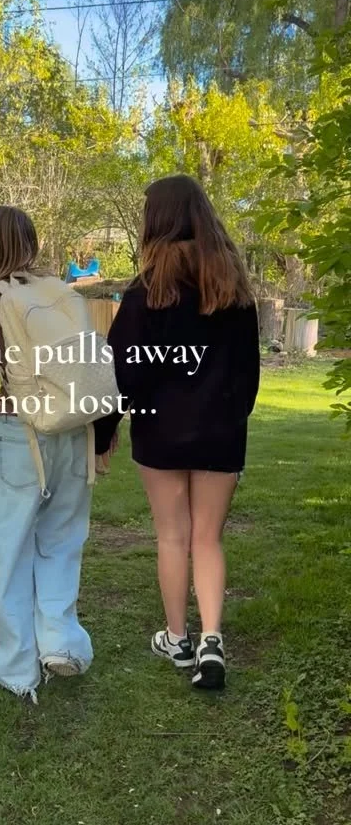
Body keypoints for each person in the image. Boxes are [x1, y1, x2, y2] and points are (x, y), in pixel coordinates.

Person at [95, 174, 260, 691]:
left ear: (157, 222)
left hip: (161, 432)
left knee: (172, 535)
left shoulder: (145, 293)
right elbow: (248, 373)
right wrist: (232, 417)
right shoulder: (234, 290)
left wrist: (104, 432)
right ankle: (212, 639)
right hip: (220, 431)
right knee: (207, 538)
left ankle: (177, 638)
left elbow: (121, 372)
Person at [0, 204, 93, 703]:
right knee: (62, 537)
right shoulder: (56, 291)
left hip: (21, 431)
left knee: (11, 549)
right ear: (29, 242)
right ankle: (60, 642)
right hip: (73, 426)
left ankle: (16, 665)